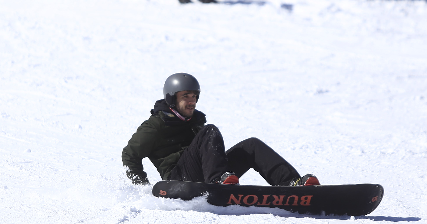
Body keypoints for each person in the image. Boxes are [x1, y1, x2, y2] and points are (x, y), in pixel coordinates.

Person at [122, 73, 320, 187]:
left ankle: (292, 184)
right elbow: (130, 154)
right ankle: (218, 181)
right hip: (179, 179)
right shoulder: (156, 124)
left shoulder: (195, 121)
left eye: (194, 97)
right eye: (186, 96)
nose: (191, 101)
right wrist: (142, 188)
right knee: (210, 131)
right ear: (172, 99)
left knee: (251, 145)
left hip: (203, 173)